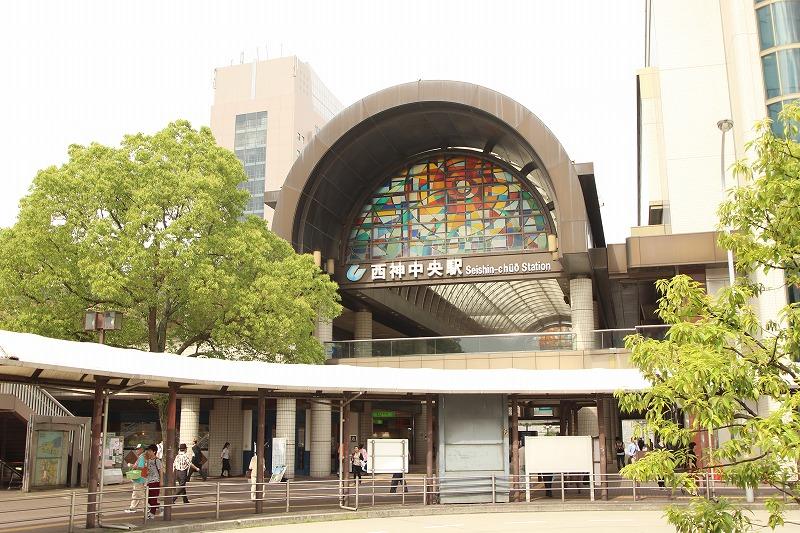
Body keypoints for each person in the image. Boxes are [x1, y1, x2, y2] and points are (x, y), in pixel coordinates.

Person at [124, 444, 146, 513]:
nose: (136, 450)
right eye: (136, 449)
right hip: (139, 478)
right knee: (136, 494)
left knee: (139, 494)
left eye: (138, 449)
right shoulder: (142, 457)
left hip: (139, 478)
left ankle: (147, 508)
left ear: (142, 450)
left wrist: (132, 465)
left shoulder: (142, 457)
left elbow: (141, 467)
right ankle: (133, 508)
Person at [143, 444, 162, 518]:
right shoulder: (148, 460)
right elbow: (145, 471)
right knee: (148, 498)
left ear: (154, 451)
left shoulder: (157, 460)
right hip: (148, 481)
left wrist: (161, 481)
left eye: (150, 451)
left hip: (155, 481)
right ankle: (158, 506)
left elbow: (160, 471)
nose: (148, 452)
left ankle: (152, 514)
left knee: (153, 498)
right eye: (148, 451)